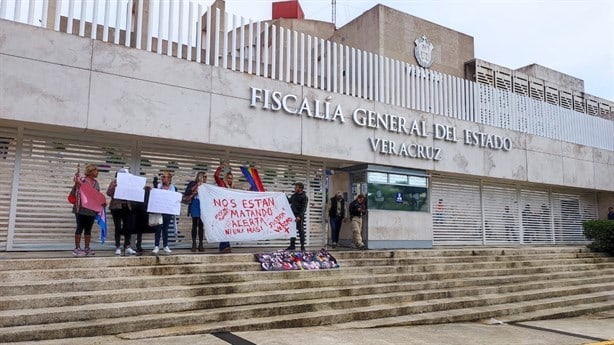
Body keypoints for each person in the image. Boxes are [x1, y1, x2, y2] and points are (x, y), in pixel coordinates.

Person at [69, 164, 105, 257]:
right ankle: (77, 248)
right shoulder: (81, 181)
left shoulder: (96, 183)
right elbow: (73, 193)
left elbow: (97, 195)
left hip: (91, 210)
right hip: (81, 209)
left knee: (88, 229)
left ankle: (87, 248)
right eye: (96, 170)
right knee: (79, 227)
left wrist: (101, 202)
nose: (98, 172)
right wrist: (77, 185)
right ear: (91, 171)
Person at [106, 168, 133, 255]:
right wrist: (114, 186)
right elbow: (109, 193)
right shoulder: (114, 182)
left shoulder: (129, 183)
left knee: (128, 227)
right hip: (116, 207)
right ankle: (118, 247)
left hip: (127, 207)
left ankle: (127, 246)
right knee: (118, 227)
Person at [152, 171, 175, 255]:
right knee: (158, 228)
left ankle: (165, 246)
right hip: (159, 210)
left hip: (168, 211)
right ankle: (156, 246)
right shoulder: (158, 186)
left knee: (165, 229)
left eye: (165, 177)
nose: (164, 179)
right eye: (163, 177)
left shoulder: (172, 187)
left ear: (169, 179)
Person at [184, 171, 207, 252]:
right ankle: (194, 243)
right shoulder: (193, 183)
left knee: (201, 224)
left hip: (202, 205)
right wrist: (197, 185)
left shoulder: (206, 186)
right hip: (195, 203)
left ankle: (201, 244)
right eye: (204, 176)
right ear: (199, 176)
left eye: (206, 177)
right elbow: (187, 192)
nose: (205, 178)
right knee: (194, 223)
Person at [214, 162, 234, 253]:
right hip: (222, 210)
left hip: (230, 210)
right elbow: (216, 176)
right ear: (225, 178)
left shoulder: (231, 187)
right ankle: (223, 246)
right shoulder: (222, 184)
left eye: (231, 178)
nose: (229, 180)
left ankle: (227, 245)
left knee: (228, 228)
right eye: (228, 178)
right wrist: (220, 168)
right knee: (223, 228)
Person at [287, 182, 308, 251]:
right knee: (292, 231)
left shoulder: (304, 197)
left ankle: (302, 246)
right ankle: (292, 245)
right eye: (295, 187)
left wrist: (299, 216)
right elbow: (289, 201)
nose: (295, 188)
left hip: (299, 217)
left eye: (296, 187)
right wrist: (284, 196)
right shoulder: (294, 196)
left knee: (300, 230)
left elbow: (303, 208)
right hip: (292, 216)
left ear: (300, 188)